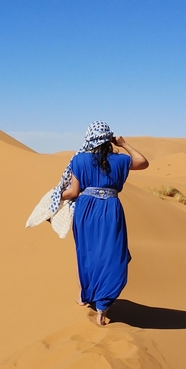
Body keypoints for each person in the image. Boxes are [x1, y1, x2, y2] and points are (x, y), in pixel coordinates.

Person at [60, 122, 148, 325]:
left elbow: (73, 192)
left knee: (87, 253)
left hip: (86, 210)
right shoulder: (120, 160)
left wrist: (55, 196)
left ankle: (85, 295)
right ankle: (102, 307)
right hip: (110, 209)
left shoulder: (79, 159)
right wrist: (124, 144)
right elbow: (142, 162)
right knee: (112, 255)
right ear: (109, 139)